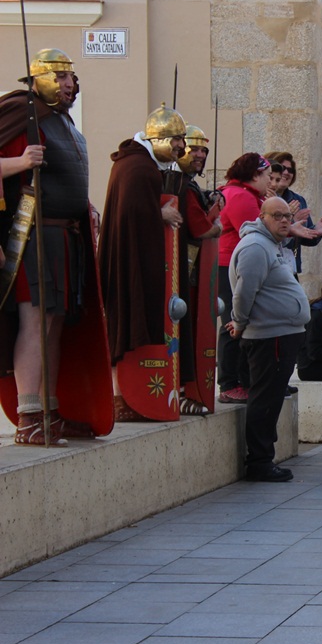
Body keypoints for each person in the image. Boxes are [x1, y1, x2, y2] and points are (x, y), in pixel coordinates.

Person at [0, 48, 106, 445]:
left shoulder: (61, 122)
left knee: (55, 324)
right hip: (32, 238)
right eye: (61, 77)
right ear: (39, 79)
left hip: (65, 237)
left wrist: (85, 206)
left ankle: (50, 411)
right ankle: (28, 417)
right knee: (36, 322)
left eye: (71, 78)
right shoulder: (19, 114)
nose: (69, 84)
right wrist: (20, 162)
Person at [99, 104, 188, 421]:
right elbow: (130, 215)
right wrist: (159, 213)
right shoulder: (137, 167)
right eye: (176, 139)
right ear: (160, 137)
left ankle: (132, 396)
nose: (181, 147)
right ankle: (121, 396)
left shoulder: (141, 164)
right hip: (128, 265)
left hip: (138, 260)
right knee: (126, 323)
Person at [226, 197, 309, 481]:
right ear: (262, 217)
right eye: (278, 216)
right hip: (269, 335)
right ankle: (259, 462)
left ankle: (264, 456)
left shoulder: (270, 245)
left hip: (281, 333)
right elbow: (243, 292)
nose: (285, 221)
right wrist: (239, 323)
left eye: (288, 215)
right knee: (265, 398)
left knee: (271, 398)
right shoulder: (255, 247)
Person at [163, 124, 223, 415]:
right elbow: (200, 228)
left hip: (190, 268)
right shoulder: (180, 183)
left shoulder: (187, 182)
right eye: (193, 147)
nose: (199, 154)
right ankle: (185, 391)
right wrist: (216, 224)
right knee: (184, 332)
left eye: (203, 149)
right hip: (182, 271)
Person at [215, 153, 273, 404]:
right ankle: (229, 383)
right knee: (233, 323)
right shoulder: (240, 196)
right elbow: (257, 230)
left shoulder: (249, 195)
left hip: (236, 264)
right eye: (268, 176)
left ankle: (245, 380)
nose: (271, 181)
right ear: (254, 175)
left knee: (244, 324)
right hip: (230, 264)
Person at [265, 152, 322, 274]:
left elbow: (305, 238)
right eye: (283, 168)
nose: (286, 173)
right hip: (270, 264)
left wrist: (316, 232)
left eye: (291, 170)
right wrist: (290, 220)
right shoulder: (262, 198)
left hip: (290, 266)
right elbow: (266, 232)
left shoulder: (298, 200)